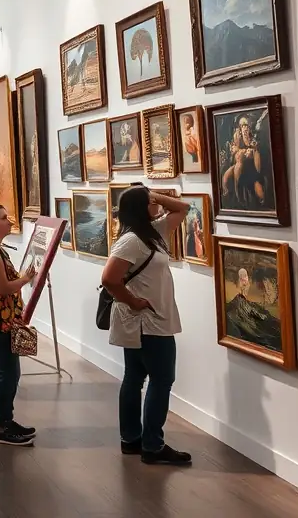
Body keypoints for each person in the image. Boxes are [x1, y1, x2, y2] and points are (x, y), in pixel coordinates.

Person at [101, 186, 191, 466]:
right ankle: (152, 444)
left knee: (135, 377)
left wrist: (152, 194)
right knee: (161, 380)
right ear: (141, 208)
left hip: (150, 319)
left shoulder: (152, 233)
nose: (156, 204)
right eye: (150, 202)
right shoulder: (131, 241)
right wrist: (133, 301)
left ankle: (132, 440)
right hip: (147, 322)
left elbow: (183, 208)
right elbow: (109, 278)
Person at [0, 204, 36, 447]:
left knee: (3, 372)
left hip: (3, 319)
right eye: (4, 218)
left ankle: (4, 422)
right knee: (9, 373)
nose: (9, 221)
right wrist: (25, 279)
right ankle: (2, 426)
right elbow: (3, 288)